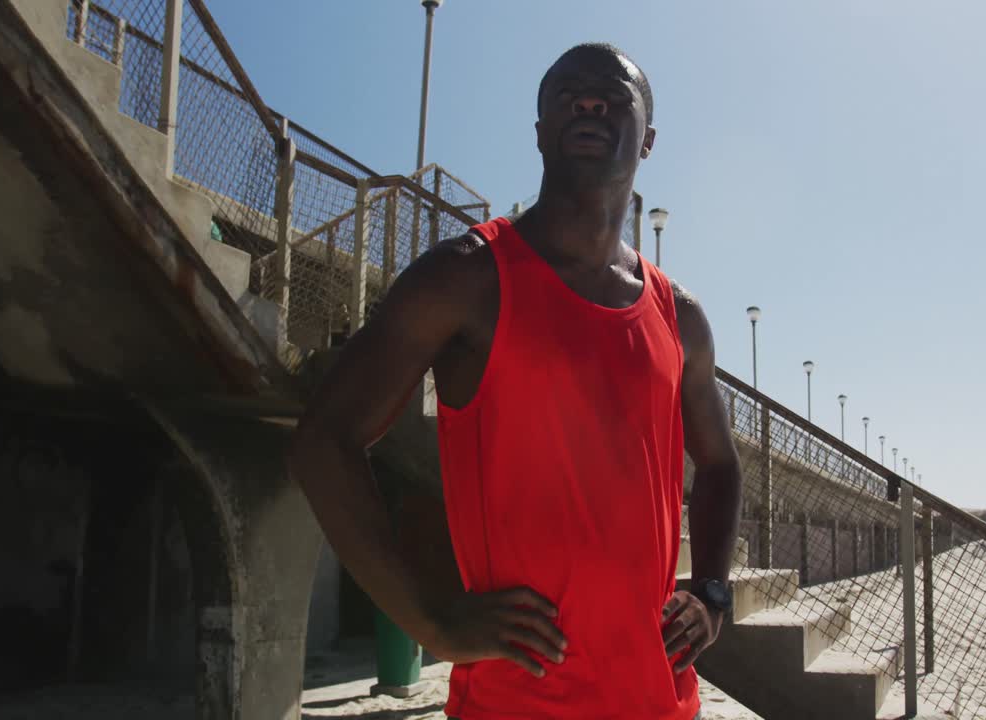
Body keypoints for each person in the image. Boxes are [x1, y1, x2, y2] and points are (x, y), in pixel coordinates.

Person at [288, 42, 742, 720]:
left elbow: (720, 464)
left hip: (659, 700)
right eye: (569, 93)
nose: (589, 102)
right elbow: (324, 442)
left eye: (613, 96)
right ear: (539, 132)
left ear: (647, 139)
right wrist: (433, 625)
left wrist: (710, 591)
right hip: (515, 704)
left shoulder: (681, 317)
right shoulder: (466, 279)